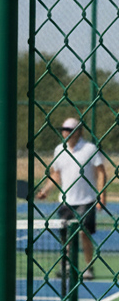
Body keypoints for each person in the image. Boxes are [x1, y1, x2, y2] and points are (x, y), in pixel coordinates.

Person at [36, 116, 108, 278]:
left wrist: (101, 195)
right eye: (64, 130)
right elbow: (56, 174)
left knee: (84, 234)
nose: (65, 133)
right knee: (66, 237)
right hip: (66, 201)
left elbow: (101, 173)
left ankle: (88, 268)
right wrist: (46, 190)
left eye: (69, 130)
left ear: (78, 132)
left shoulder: (90, 149)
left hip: (86, 200)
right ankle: (67, 267)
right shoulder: (59, 150)